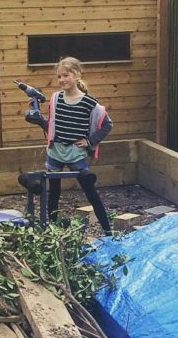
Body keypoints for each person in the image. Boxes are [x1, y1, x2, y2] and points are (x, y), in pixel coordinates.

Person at [25, 56, 113, 234]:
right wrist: (38, 120)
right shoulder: (56, 98)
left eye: (66, 75)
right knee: (53, 192)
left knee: (90, 191)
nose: (62, 80)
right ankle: (53, 230)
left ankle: (108, 232)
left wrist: (89, 141)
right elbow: (53, 126)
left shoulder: (90, 103)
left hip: (75, 152)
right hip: (56, 151)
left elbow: (107, 124)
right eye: (59, 76)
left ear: (77, 74)